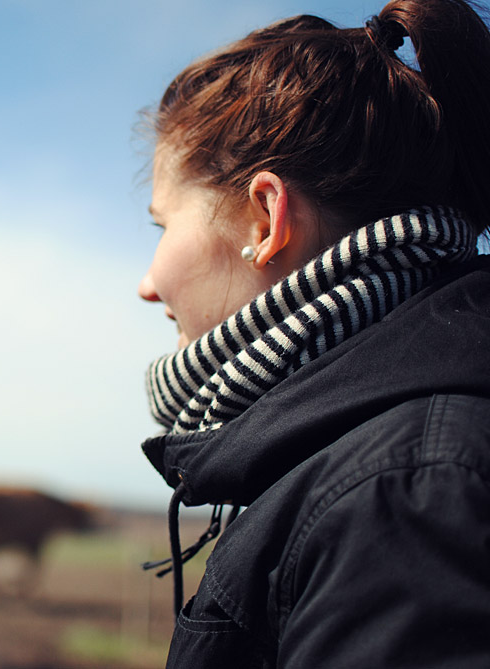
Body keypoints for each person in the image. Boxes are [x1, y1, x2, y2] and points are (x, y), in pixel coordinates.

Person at [135, 1, 490, 666]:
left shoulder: (406, 491)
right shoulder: (373, 451)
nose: (147, 283)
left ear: (265, 218)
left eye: (162, 227)